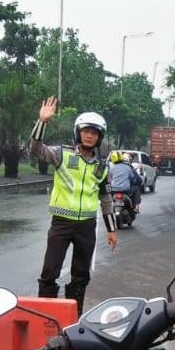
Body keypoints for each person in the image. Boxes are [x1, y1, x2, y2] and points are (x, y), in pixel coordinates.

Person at [28, 97, 118, 312]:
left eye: (94, 133)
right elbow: (36, 150)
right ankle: (46, 315)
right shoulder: (62, 154)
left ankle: (74, 316)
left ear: (99, 138)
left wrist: (111, 229)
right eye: (86, 131)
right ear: (78, 132)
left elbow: (106, 199)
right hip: (61, 223)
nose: (89, 136)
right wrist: (42, 122)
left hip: (86, 226)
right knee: (50, 271)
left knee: (81, 275)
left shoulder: (101, 167)